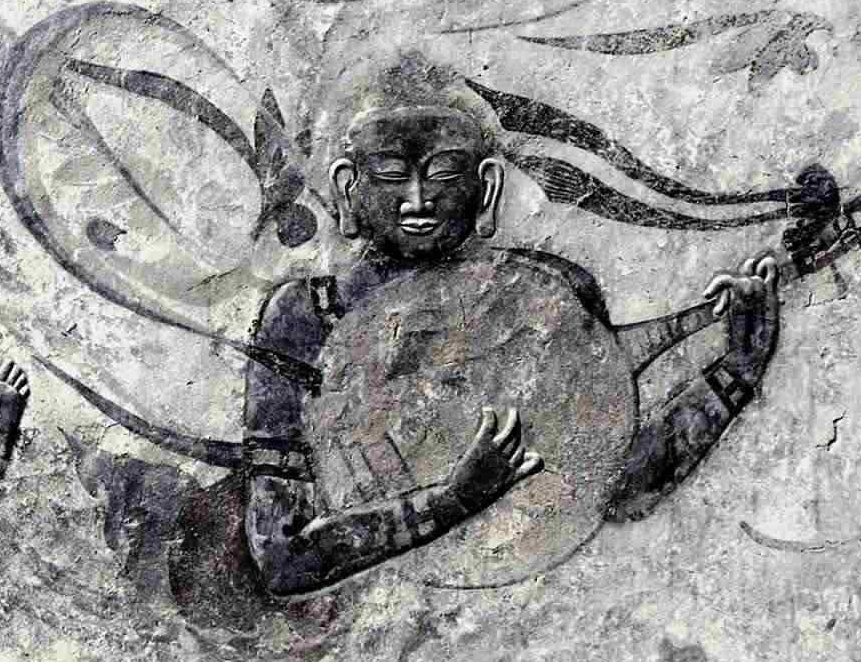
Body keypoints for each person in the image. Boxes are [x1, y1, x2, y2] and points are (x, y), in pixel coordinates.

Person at [242, 53, 781, 598]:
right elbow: (282, 560)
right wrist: (451, 500)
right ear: (347, 189)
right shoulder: (304, 317)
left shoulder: (551, 293)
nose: (418, 199)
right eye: (390, 174)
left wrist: (736, 373)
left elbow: (616, 488)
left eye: (444, 172)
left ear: (487, 187)